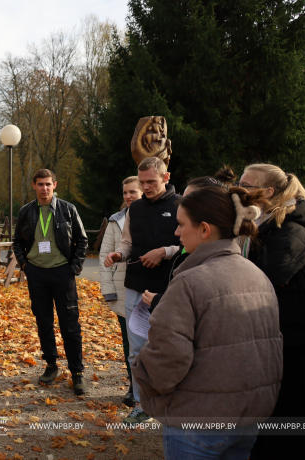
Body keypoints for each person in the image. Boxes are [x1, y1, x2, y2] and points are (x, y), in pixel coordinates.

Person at [132, 185, 282, 460]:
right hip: (247, 418)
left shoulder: (189, 282)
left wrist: (141, 374)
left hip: (197, 420)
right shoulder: (257, 275)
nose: (176, 233)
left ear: (204, 229)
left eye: (180, 224)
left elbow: (168, 358)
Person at [240, 164, 305, 460]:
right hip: (274, 335)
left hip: (294, 340)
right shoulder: (265, 223)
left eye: (246, 184)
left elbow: (267, 278)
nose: (238, 188)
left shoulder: (293, 228)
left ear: (268, 192)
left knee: (288, 419)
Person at [103, 156, 181, 425]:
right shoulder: (134, 209)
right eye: (142, 182)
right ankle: (140, 404)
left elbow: (190, 245)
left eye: (151, 182)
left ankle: (171, 403)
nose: (146, 187)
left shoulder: (181, 205)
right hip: (135, 286)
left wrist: (165, 252)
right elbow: (127, 243)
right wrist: (118, 255)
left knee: (170, 348)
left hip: (170, 289)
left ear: (166, 177)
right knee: (137, 350)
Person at [12, 169, 89, 394]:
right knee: (44, 323)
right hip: (36, 274)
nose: (44, 188)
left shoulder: (68, 209)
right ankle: (51, 365)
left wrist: (73, 268)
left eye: (48, 184)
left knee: (70, 325)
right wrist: (25, 265)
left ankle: (77, 372)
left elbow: (82, 241)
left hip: (62, 273)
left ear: (55, 185)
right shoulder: (26, 211)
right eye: (40, 184)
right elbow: (17, 242)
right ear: (34, 186)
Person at [142, 167, 237, 311]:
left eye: (188, 200)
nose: (177, 232)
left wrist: (160, 302)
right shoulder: (190, 251)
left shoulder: (201, 274)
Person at [99, 176, 142, 407]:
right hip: (123, 290)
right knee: (129, 344)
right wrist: (109, 291)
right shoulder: (116, 221)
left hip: (148, 290)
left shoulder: (152, 217)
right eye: (125, 192)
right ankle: (133, 386)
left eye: (132, 192)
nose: (128, 196)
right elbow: (104, 256)